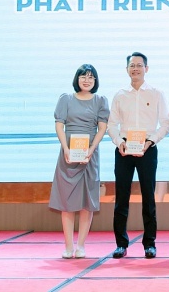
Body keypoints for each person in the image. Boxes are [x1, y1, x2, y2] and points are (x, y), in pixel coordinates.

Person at [107, 52, 169, 259]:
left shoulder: (156, 93)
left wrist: (151, 141)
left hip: (147, 148)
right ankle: (121, 244)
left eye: (139, 65)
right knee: (121, 197)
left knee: (148, 197)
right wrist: (119, 142)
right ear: (127, 69)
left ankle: (149, 244)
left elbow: (166, 123)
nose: (135, 68)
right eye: (132, 65)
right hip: (124, 149)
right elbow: (111, 125)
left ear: (146, 69)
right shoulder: (120, 95)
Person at [49, 64, 110, 259]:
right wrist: (66, 148)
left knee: (87, 202)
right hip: (68, 154)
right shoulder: (65, 99)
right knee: (67, 201)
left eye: (91, 77)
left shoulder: (100, 100)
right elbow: (59, 125)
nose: (87, 80)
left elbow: (102, 128)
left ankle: (81, 246)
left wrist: (91, 149)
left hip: (90, 155)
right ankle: (68, 246)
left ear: (95, 81)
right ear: (77, 79)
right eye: (83, 76)